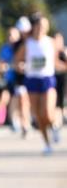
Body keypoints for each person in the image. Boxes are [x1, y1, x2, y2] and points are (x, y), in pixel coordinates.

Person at [13, 13, 58, 154]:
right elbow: (16, 61)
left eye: (44, 26)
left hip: (47, 79)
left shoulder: (51, 42)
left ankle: (54, 125)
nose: (41, 28)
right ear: (34, 27)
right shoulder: (27, 44)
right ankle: (47, 143)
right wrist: (20, 66)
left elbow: (57, 60)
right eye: (39, 26)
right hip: (32, 79)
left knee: (47, 113)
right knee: (38, 115)